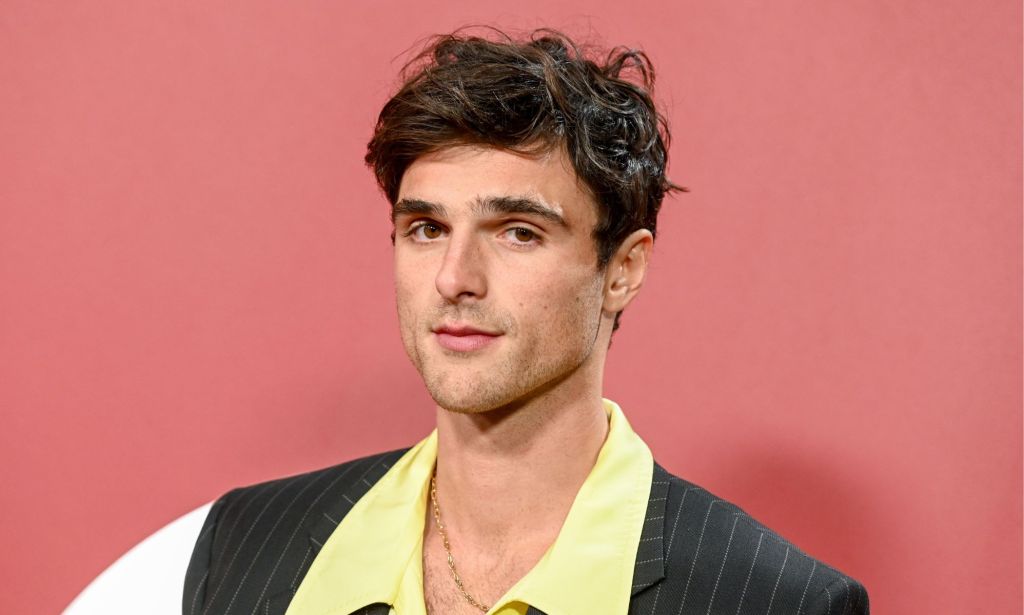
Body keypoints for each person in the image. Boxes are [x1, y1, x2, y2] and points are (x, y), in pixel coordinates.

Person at [183, 28, 869, 615]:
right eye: (426, 227)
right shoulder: (244, 544)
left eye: (517, 232)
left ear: (623, 269)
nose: (455, 277)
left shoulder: (773, 599)